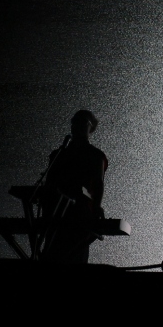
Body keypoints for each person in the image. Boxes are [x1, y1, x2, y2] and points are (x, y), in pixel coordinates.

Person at [42, 109, 108, 263]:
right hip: (56, 213)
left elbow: (98, 184)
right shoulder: (58, 154)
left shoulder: (96, 155)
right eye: (74, 122)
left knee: (75, 257)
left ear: (90, 128)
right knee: (53, 255)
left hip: (80, 212)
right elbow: (49, 183)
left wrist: (96, 206)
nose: (76, 125)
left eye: (82, 122)